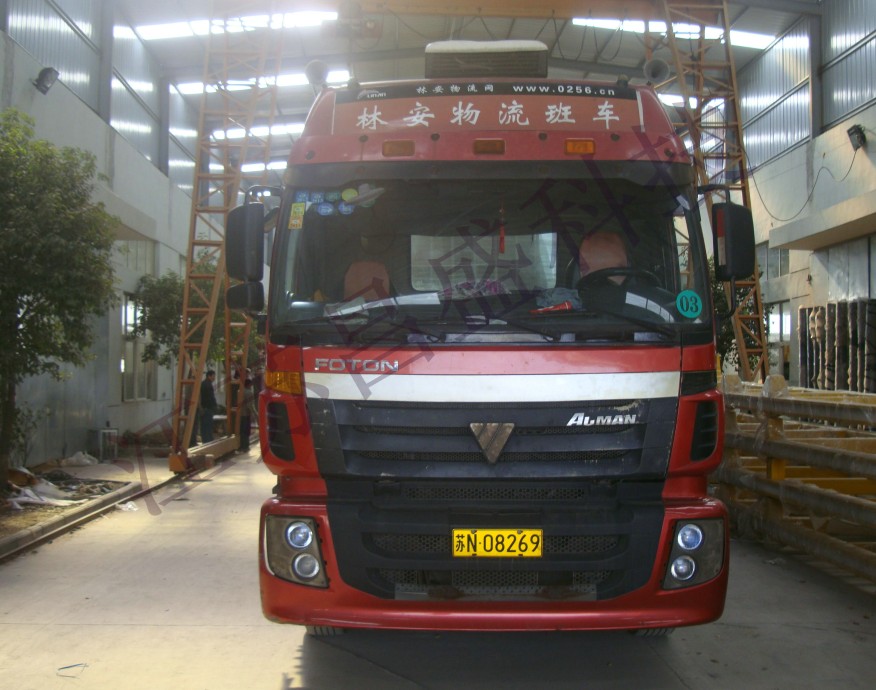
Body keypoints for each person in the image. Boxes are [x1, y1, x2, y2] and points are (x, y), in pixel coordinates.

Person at [199, 370, 218, 443]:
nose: (214, 378)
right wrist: (215, 406)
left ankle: (205, 441)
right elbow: (211, 397)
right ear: (209, 376)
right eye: (213, 376)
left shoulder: (203, 384)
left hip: (204, 408)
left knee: (204, 426)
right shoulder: (208, 385)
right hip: (208, 408)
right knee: (208, 426)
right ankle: (208, 441)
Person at [239, 378, 256, 452]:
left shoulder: (240, 391)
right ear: (249, 385)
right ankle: (246, 446)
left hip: (240, 414)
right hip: (246, 414)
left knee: (241, 431)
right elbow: (250, 405)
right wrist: (255, 413)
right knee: (246, 431)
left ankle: (241, 446)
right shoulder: (249, 392)